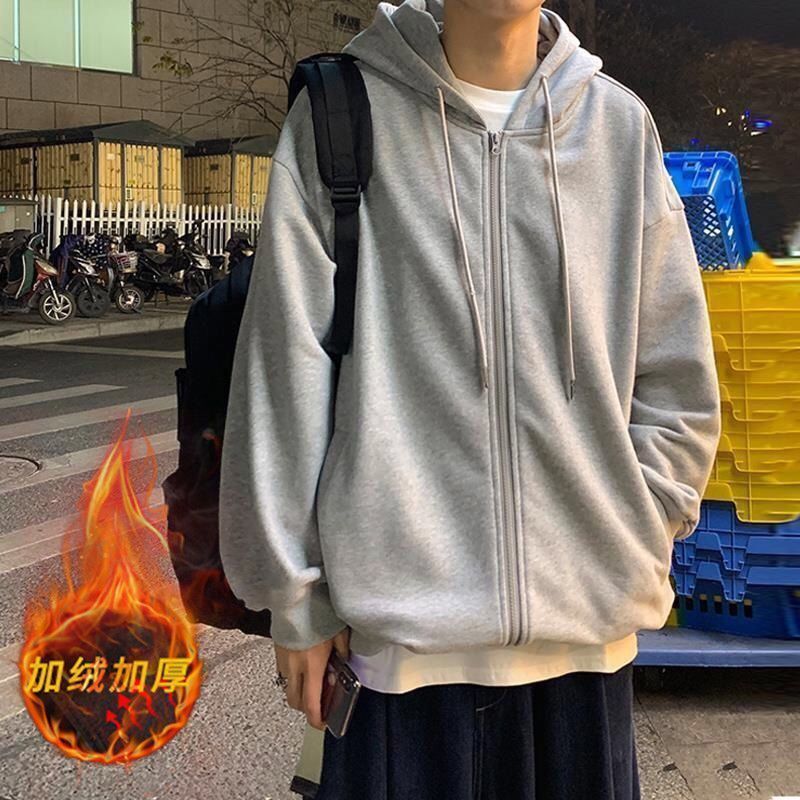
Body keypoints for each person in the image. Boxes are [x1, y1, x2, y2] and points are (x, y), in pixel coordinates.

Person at [218, 0, 722, 797]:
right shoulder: (343, 116)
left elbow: (675, 370)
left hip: (587, 654)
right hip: (399, 667)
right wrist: (297, 601)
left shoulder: (618, 129)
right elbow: (283, 371)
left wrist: (642, 516)